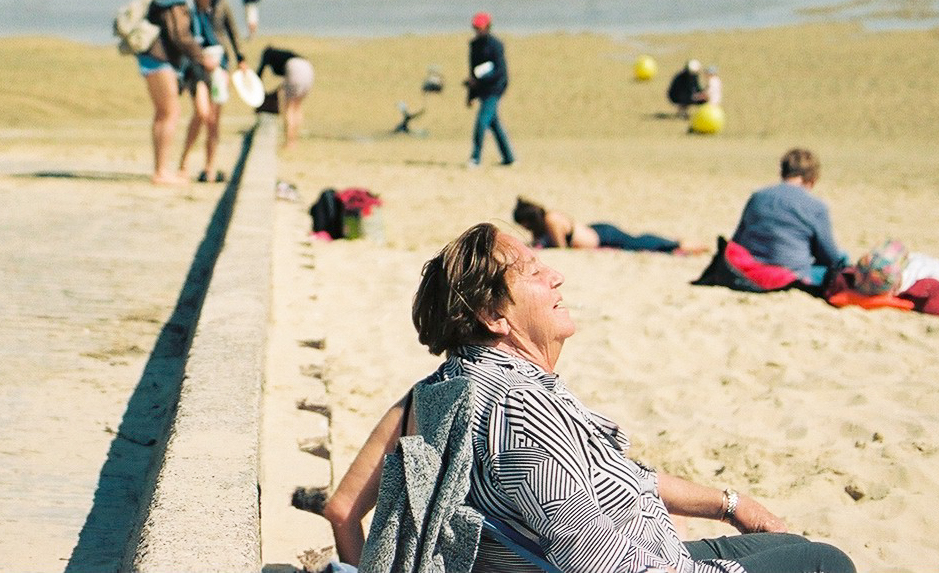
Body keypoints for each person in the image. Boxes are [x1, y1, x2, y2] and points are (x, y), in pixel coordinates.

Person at [325, 223, 854, 573]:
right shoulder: (518, 412)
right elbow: (593, 557)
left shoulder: (446, 391)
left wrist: (729, 504)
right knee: (827, 564)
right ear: (495, 317)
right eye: (533, 272)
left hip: (651, 550)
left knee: (801, 551)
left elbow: (616, 479)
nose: (556, 274)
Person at [134, 0, 219, 186]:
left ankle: (160, 169)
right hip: (158, 59)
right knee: (170, 113)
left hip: (153, 58)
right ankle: (161, 172)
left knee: (163, 113)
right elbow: (179, 36)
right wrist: (202, 58)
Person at [729, 148, 848, 289]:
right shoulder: (817, 206)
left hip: (750, 273)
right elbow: (829, 258)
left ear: (782, 173)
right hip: (790, 276)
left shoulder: (757, 197)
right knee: (842, 258)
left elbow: (737, 242)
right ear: (813, 179)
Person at [179, 0, 247, 182]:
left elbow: (233, 32)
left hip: (220, 66)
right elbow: (184, 38)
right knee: (201, 113)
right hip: (197, 67)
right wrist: (200, 59)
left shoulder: (220, 5)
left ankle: (209, 167)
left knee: (214, 120)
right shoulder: (187, 8)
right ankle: (184, 162)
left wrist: (241, 60)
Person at [513, 198, 706, 256]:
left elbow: (560, 247)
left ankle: (676, 244)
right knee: (635, 240)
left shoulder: (551, 221)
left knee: (638, 243)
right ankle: (675, 243)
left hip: (602, 235)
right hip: (597, 231)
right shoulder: (549, 216)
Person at [466, 12, 514, 168]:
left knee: (481, 122)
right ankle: (509, 157)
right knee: (494, 123)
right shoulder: (473, 46)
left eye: (481, 28)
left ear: (488, 27)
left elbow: (500, 72)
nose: (478, 31)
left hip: (495, 89)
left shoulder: (496, 45)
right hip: (482, 89)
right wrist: (471, 94)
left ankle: (475, 158)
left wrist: (481, 80)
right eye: (476, 28)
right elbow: (473, 71)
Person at [256, 45, 314, 149]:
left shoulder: (268, 55)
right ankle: (294, 138)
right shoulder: (285, 54)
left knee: (289, 107)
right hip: (308, 67)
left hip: (294, 68)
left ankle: (289, 142)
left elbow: (260, 72)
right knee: (297, 106)